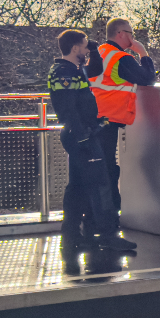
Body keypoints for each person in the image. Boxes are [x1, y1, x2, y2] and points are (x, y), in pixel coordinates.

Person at [46, 29, 125, 258]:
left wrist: (93, 49)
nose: (86, 50)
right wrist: (83, 135)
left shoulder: (73, 69)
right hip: (81, 136)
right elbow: (69, 107)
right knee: (100, 185)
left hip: (80, 134)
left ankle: (72, 237)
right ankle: (108, 236)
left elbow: (96, 69)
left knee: (77, 187)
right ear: (74, 48)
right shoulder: (64, 72)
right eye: (83, 46)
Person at [87, 17, 158, 252]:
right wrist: (143, 53)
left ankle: (90, 228)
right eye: (131, 33)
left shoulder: (100, 52)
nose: (133, 37)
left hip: (95, 120)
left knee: (97, 175)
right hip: (106, 123)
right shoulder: (120, 58)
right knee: (108, 176)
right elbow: (148, 78)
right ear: (120, 34)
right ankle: (109, 232)